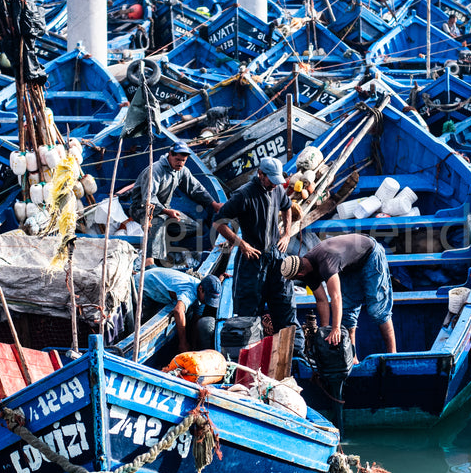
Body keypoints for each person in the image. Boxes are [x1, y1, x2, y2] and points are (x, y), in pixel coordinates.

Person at [215, 156, 303, 349]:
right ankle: (251, 357)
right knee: (248, 315)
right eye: (271, 180)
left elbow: (287, 207)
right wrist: (241, 244)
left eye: (277, 180)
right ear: (260, 174)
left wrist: (287, 234)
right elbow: (218, 222)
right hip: (252, 260)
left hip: (276, 257)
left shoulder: (277, 188)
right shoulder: (243, 194)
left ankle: (294, 355)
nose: (275, 184)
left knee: (286, 308)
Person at [282, 233, 396, 356]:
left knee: (377, 311)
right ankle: (352, 357)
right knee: (348, 313)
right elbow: (321, 300)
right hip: (350, 266)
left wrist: (336, 328)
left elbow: (336, 297)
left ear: (299, 275)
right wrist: (324, 331)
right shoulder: (306, 269)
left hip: (370, 254)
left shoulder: (326, 262)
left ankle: (392, 353)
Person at [128, 144, 223, 267]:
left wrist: (213, 204)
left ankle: (162, 240)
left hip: (164, 209)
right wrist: (166, 211)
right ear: (170, 155)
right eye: (177, 159)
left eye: (183, 160)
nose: (180, 163)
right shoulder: (156, 170)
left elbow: (195, 189)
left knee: (193, 227)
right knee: (158, 221)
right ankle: (149, 260)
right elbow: (149, 198)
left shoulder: (182, 170)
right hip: (142, 209)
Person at [138, 267, 221, 352]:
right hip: (142, 285)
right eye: (207, 298)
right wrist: (183, 343)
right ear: (200, 289)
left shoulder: (202, 298)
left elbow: (196, 320)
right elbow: (178, 311)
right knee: (142, 320)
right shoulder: (189, 291)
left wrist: (194, 346)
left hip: (157, 287)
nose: (207, 302)